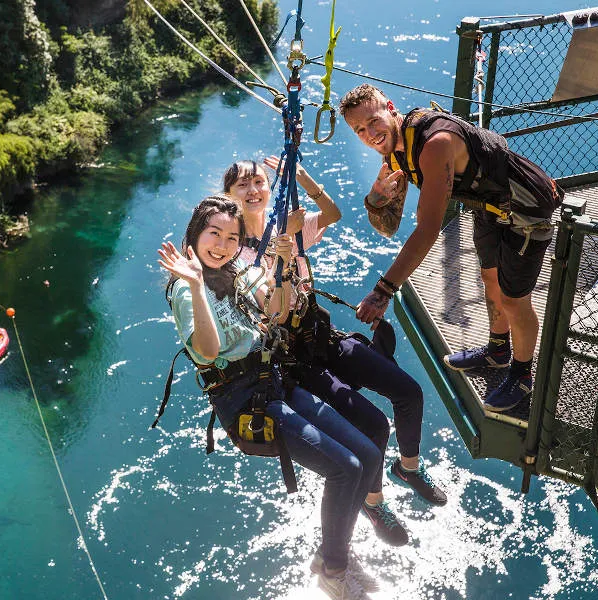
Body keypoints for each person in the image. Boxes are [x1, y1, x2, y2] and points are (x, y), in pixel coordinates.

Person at [160, 196, 379, 599]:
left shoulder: (237, 272)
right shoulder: (185, 290)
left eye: (232, 237)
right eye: (214, 234)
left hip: (272, 380)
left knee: (366, 454)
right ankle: (334, 570)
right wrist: (193, 283)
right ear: (195, 234)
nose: (222, 245)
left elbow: (277, 313)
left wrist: (282, 266)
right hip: (246, 402)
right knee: (346, 469)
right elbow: (207, 352)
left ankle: (335, 554)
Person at [222, 158, 446, 551]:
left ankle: (408, 467)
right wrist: (285, 250)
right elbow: (273, 312)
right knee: (375, 427)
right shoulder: (236, 255)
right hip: (297, 359)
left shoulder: (285, 225)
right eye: (243, 185)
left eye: (258, 181)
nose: (253, 190)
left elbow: (332, 214)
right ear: (229, 196)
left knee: (408, 392)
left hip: (322, 337)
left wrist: (302, 178)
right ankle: (374, 503)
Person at [338, 84, 563, 413]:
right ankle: (498, 350)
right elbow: (388, 227)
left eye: (373, 121)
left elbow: (428, 229)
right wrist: (375, 199)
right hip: (488, 206)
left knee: (514, 300)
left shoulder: (435, 144)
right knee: (490, 280)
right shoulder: (394, 150)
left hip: (525, 208)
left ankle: (522, 374)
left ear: (391, 108)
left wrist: (383, 291)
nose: (370, 134)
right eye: (360, 130)